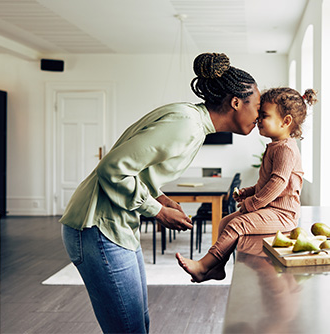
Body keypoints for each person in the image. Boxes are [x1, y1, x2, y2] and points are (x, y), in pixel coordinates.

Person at [60, 52, 260, 334]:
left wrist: (161, 198)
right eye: (259, 107)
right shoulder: (186, 124)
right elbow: (112, 169)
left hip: (112, 227)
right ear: (236, 103)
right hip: (97, 227)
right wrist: (157, 211)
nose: (260, 116)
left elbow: (138, 170)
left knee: (138, 324)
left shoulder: (191, 121)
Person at [176, 87, 318, 283]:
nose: (258, 119)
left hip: (283, 215)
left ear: (285, 122)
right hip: (270, 208)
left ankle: (203, 266)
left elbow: (278, 183)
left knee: (237, 225)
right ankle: (217, 268)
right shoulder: (276, 146)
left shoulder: (286, 149)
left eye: (264, 116)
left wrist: (253, 203)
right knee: (225, 222)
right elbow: (268, 182)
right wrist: (248, 192)